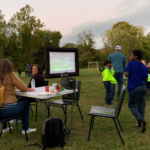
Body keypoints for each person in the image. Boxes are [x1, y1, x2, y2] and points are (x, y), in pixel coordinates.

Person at [0, 59, 36, 134]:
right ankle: (25, 129)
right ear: (10, 66)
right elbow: (25, 88)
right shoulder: (11, 74)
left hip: (0, 111)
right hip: (8, 110)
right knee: (26, 103)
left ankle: (4, 128)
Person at [124, 50, 147, 133]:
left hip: (134, 88)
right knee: (141, 105)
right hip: (143, 87)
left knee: (132, 105)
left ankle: (141, 120)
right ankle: (140, 124)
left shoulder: (131, 63)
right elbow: (146, 79)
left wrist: (125, 72)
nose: (130, 57)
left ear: (135, 56)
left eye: (131, 55)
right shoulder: (144, 66)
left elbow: (126, 74)